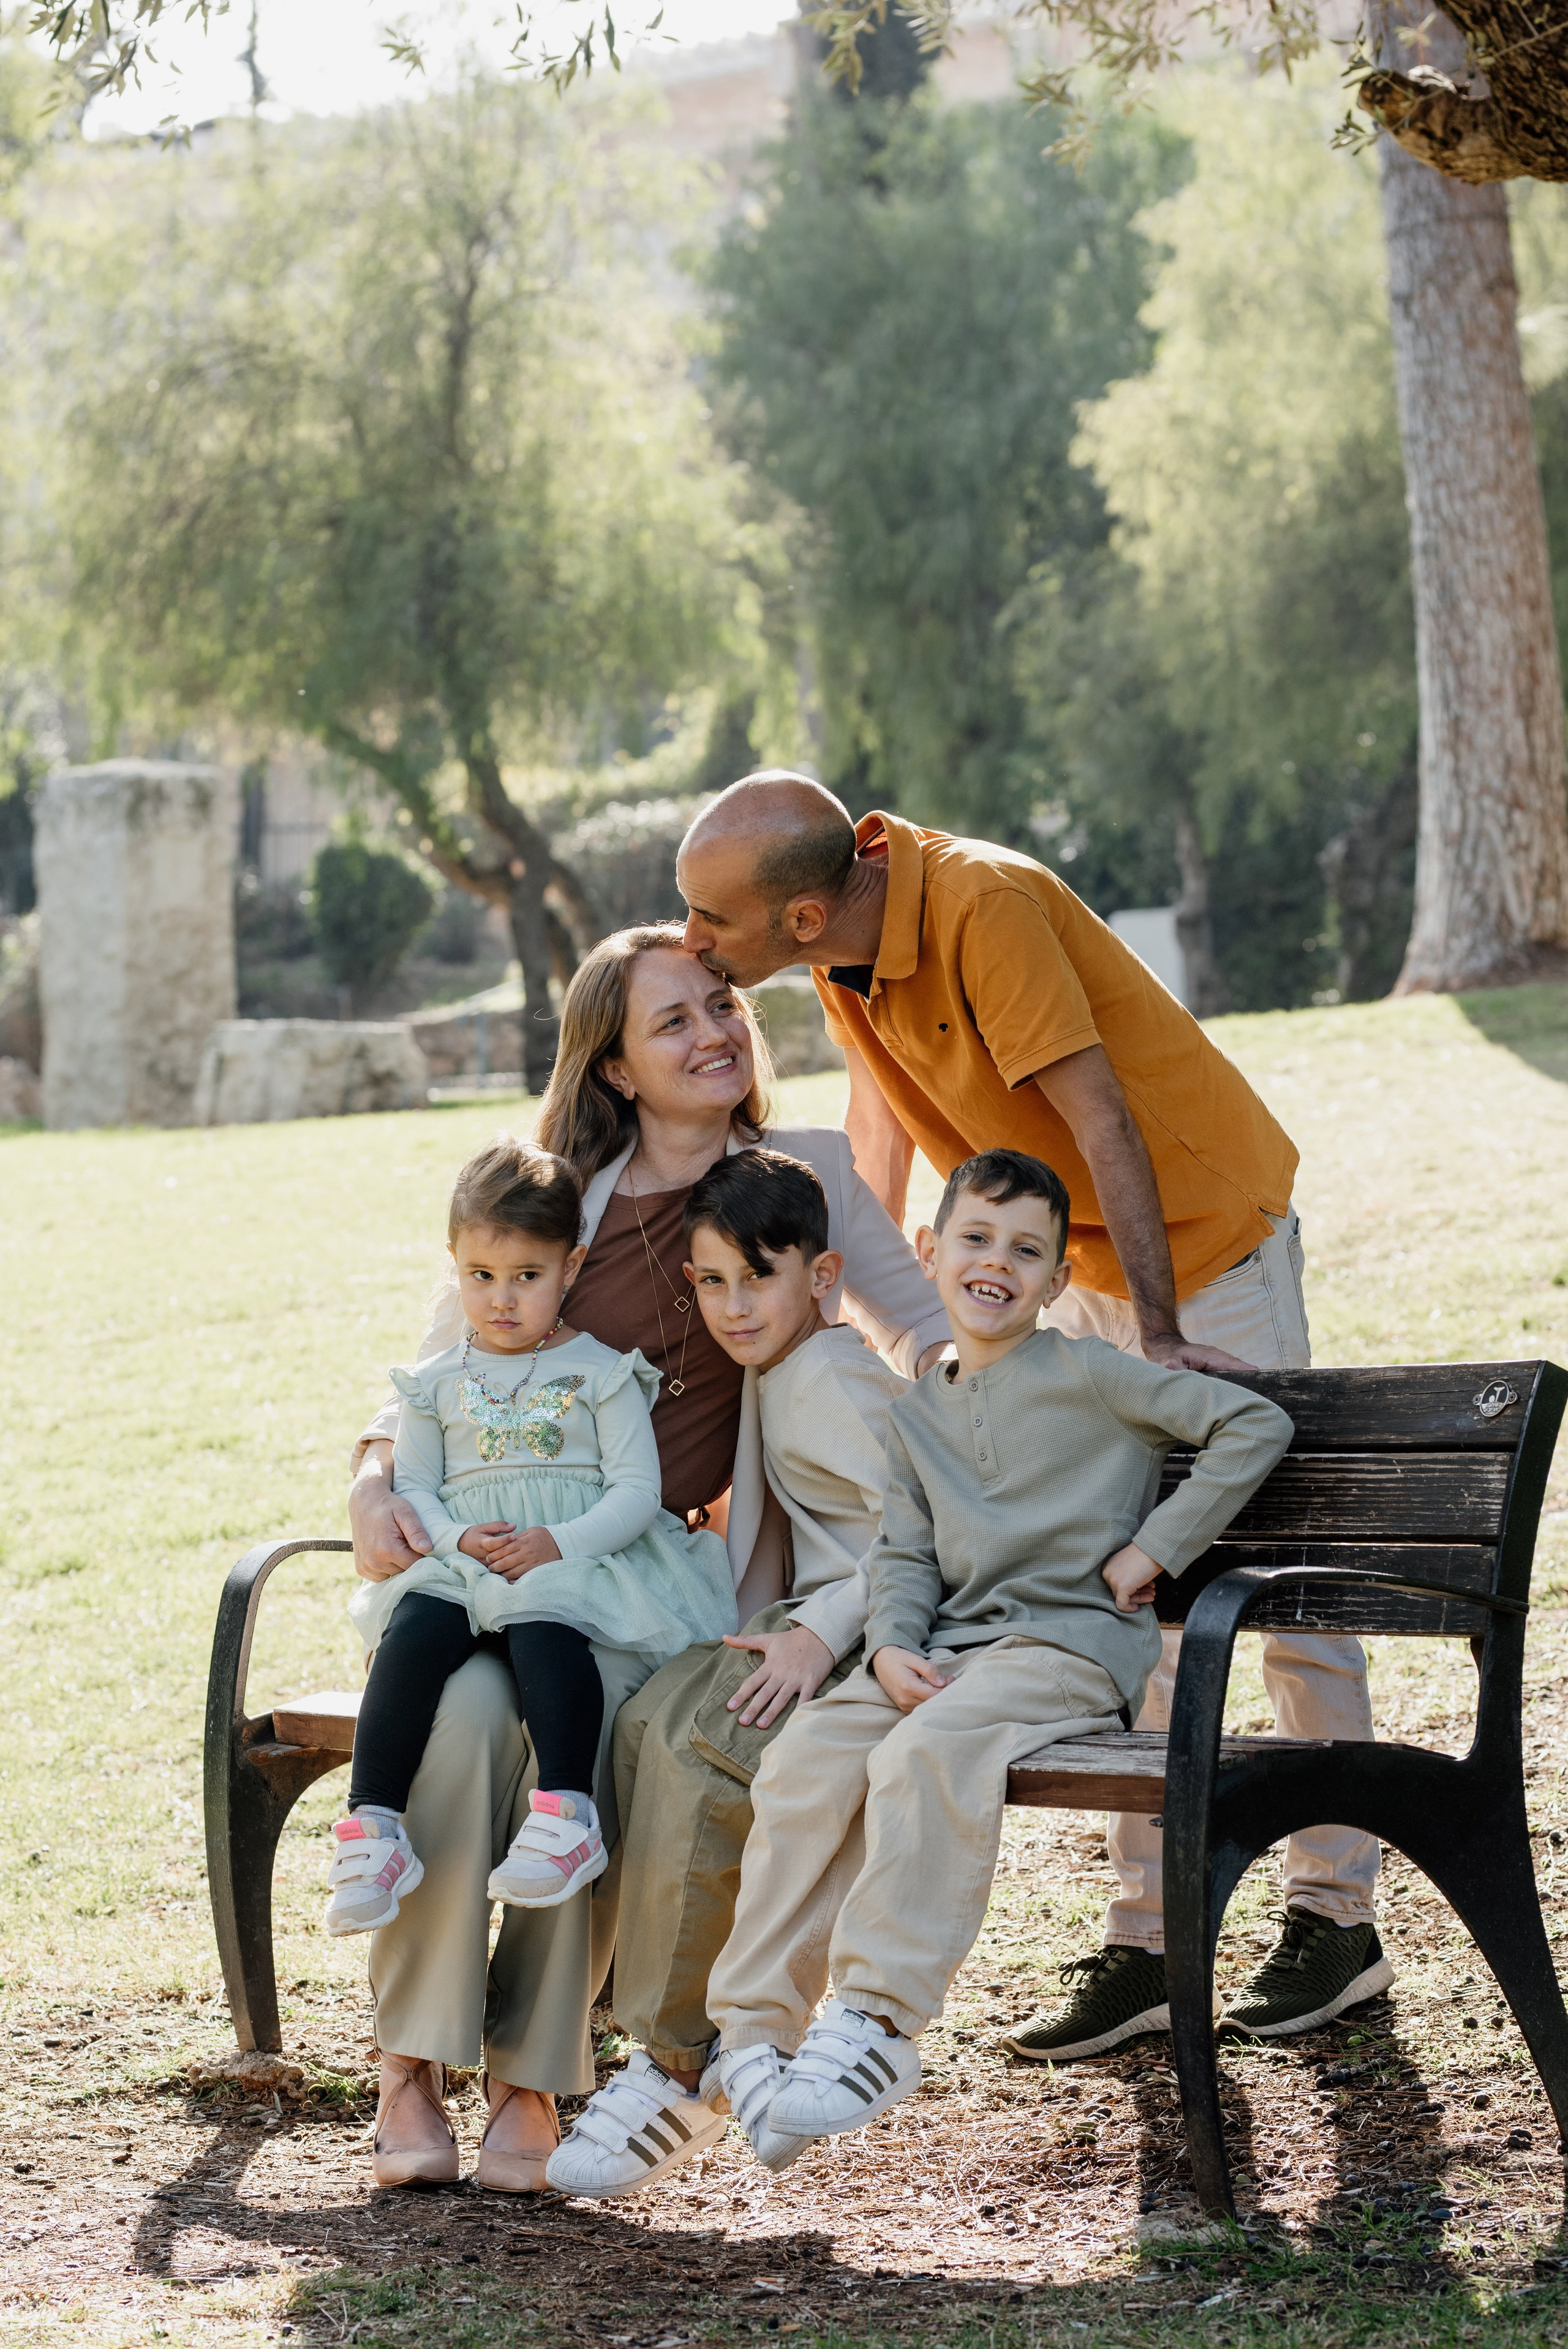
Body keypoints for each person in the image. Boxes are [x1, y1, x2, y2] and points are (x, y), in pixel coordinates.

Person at [676, 773, 1390, 2058]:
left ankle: (1333, 1917)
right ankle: (1147, 1940)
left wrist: (1160, 1328)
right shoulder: (850, 958)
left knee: (1273, 1585)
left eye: (706, 919)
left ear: (793, 916)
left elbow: (1098, 1110)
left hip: (1200, 1243)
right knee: (1130, 1606)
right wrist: (850, 1310)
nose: (689, 944)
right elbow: (880, 1133)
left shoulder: (980, 907)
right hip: (1078, 1267)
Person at [345, 924, 949, 2192]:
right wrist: (367, 1476)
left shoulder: (810, 1171)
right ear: (614, 1066)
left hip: (648, 1577)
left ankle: (531, 2072)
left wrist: (1031, 1394)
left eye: (720, 1004)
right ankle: (411, 2059)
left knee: (594, 1743)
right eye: (672, 1021)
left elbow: (926, 1334)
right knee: (456, 1725)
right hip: (489, 1561)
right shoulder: (560, 1186)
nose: (715, 1031)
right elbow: (431, 1367)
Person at [704, 1150, 1294, 2150]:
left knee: (925, 1753)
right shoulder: (920, 1411)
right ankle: (757, 2035)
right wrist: (888, 1648)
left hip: (1061, 1653)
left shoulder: (1092, 1374)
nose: (997, 1264)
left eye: (1026, 1251)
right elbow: (899, 1556)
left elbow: (1251, 1422)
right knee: (807, 1760)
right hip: (947, 1656)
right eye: (976, 1239)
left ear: (1057, 1282)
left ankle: (877, 2023)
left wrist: (1155, 1546)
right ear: (932, 1251)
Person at [546, 1146, 908, 2195]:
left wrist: (817, 1633)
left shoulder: (834, 1379)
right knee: (653, 1717)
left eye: (760, 1277)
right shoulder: (780, 1368)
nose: (734, 1306)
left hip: (884, 1633)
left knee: (710, 1745)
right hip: (818, 1621)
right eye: (711, 1281)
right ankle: (658, 2038)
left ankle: (677, 2064)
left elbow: (919, 1537)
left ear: (823, 1278)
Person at [325, 1139, 735, 1942]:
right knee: (414, 1632)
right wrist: (451, 1537)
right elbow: (414, 1483)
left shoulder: (600, 1373)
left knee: (546, 1627)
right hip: (463, 1557)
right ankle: (371, 1827)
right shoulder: (435, 1382)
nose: (501, 1299)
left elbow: (636, 1493)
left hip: (566, 1554)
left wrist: (559, 1543)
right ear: (455, 1264)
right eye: (481, 1276)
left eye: (527, 1277)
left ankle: (566, 1811)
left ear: (571, 1268)